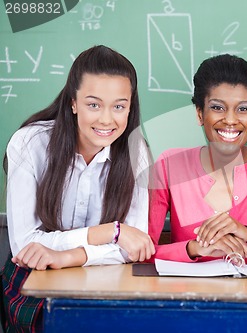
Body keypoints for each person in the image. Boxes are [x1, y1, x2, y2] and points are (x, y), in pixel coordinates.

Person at [1, 45, 155, 331]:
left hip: (104, 283)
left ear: (130, 106)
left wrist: (67, 256)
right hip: (33, 282)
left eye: (119, 106)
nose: (107, 119)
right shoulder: (29, 143)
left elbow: (133, 248)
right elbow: (25, 246)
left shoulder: (136, 152)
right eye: (93, 104)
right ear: (73, 103)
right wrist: (111, 232)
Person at [148, 54, 247, 265]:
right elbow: (140, 252)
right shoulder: (170, 164)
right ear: (199, 114)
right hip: (185, 295)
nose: (230, 119)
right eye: (217, 107)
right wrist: (194, 249)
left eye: (243, 109)